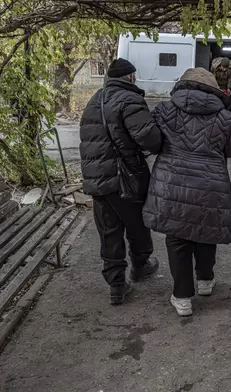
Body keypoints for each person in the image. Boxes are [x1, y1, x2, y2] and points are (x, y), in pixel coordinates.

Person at [143, 68, 231, 316]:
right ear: (214, 90)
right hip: (210, 184)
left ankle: (182, 298)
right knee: (205, 231)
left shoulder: (164, 110)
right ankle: (205, 280)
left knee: (177, 238)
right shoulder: (226, 117)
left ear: (182, 86)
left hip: (171, 183)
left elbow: (152, 142)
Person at [79, 58, 163, 306]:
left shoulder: (95, 100)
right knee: (137, 225)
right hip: (125, 176)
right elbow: (150, 139)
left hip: (97, 180)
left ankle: (117, 286)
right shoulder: (129, 99)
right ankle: (140, 265)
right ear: (130, 77)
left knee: (109, 230)